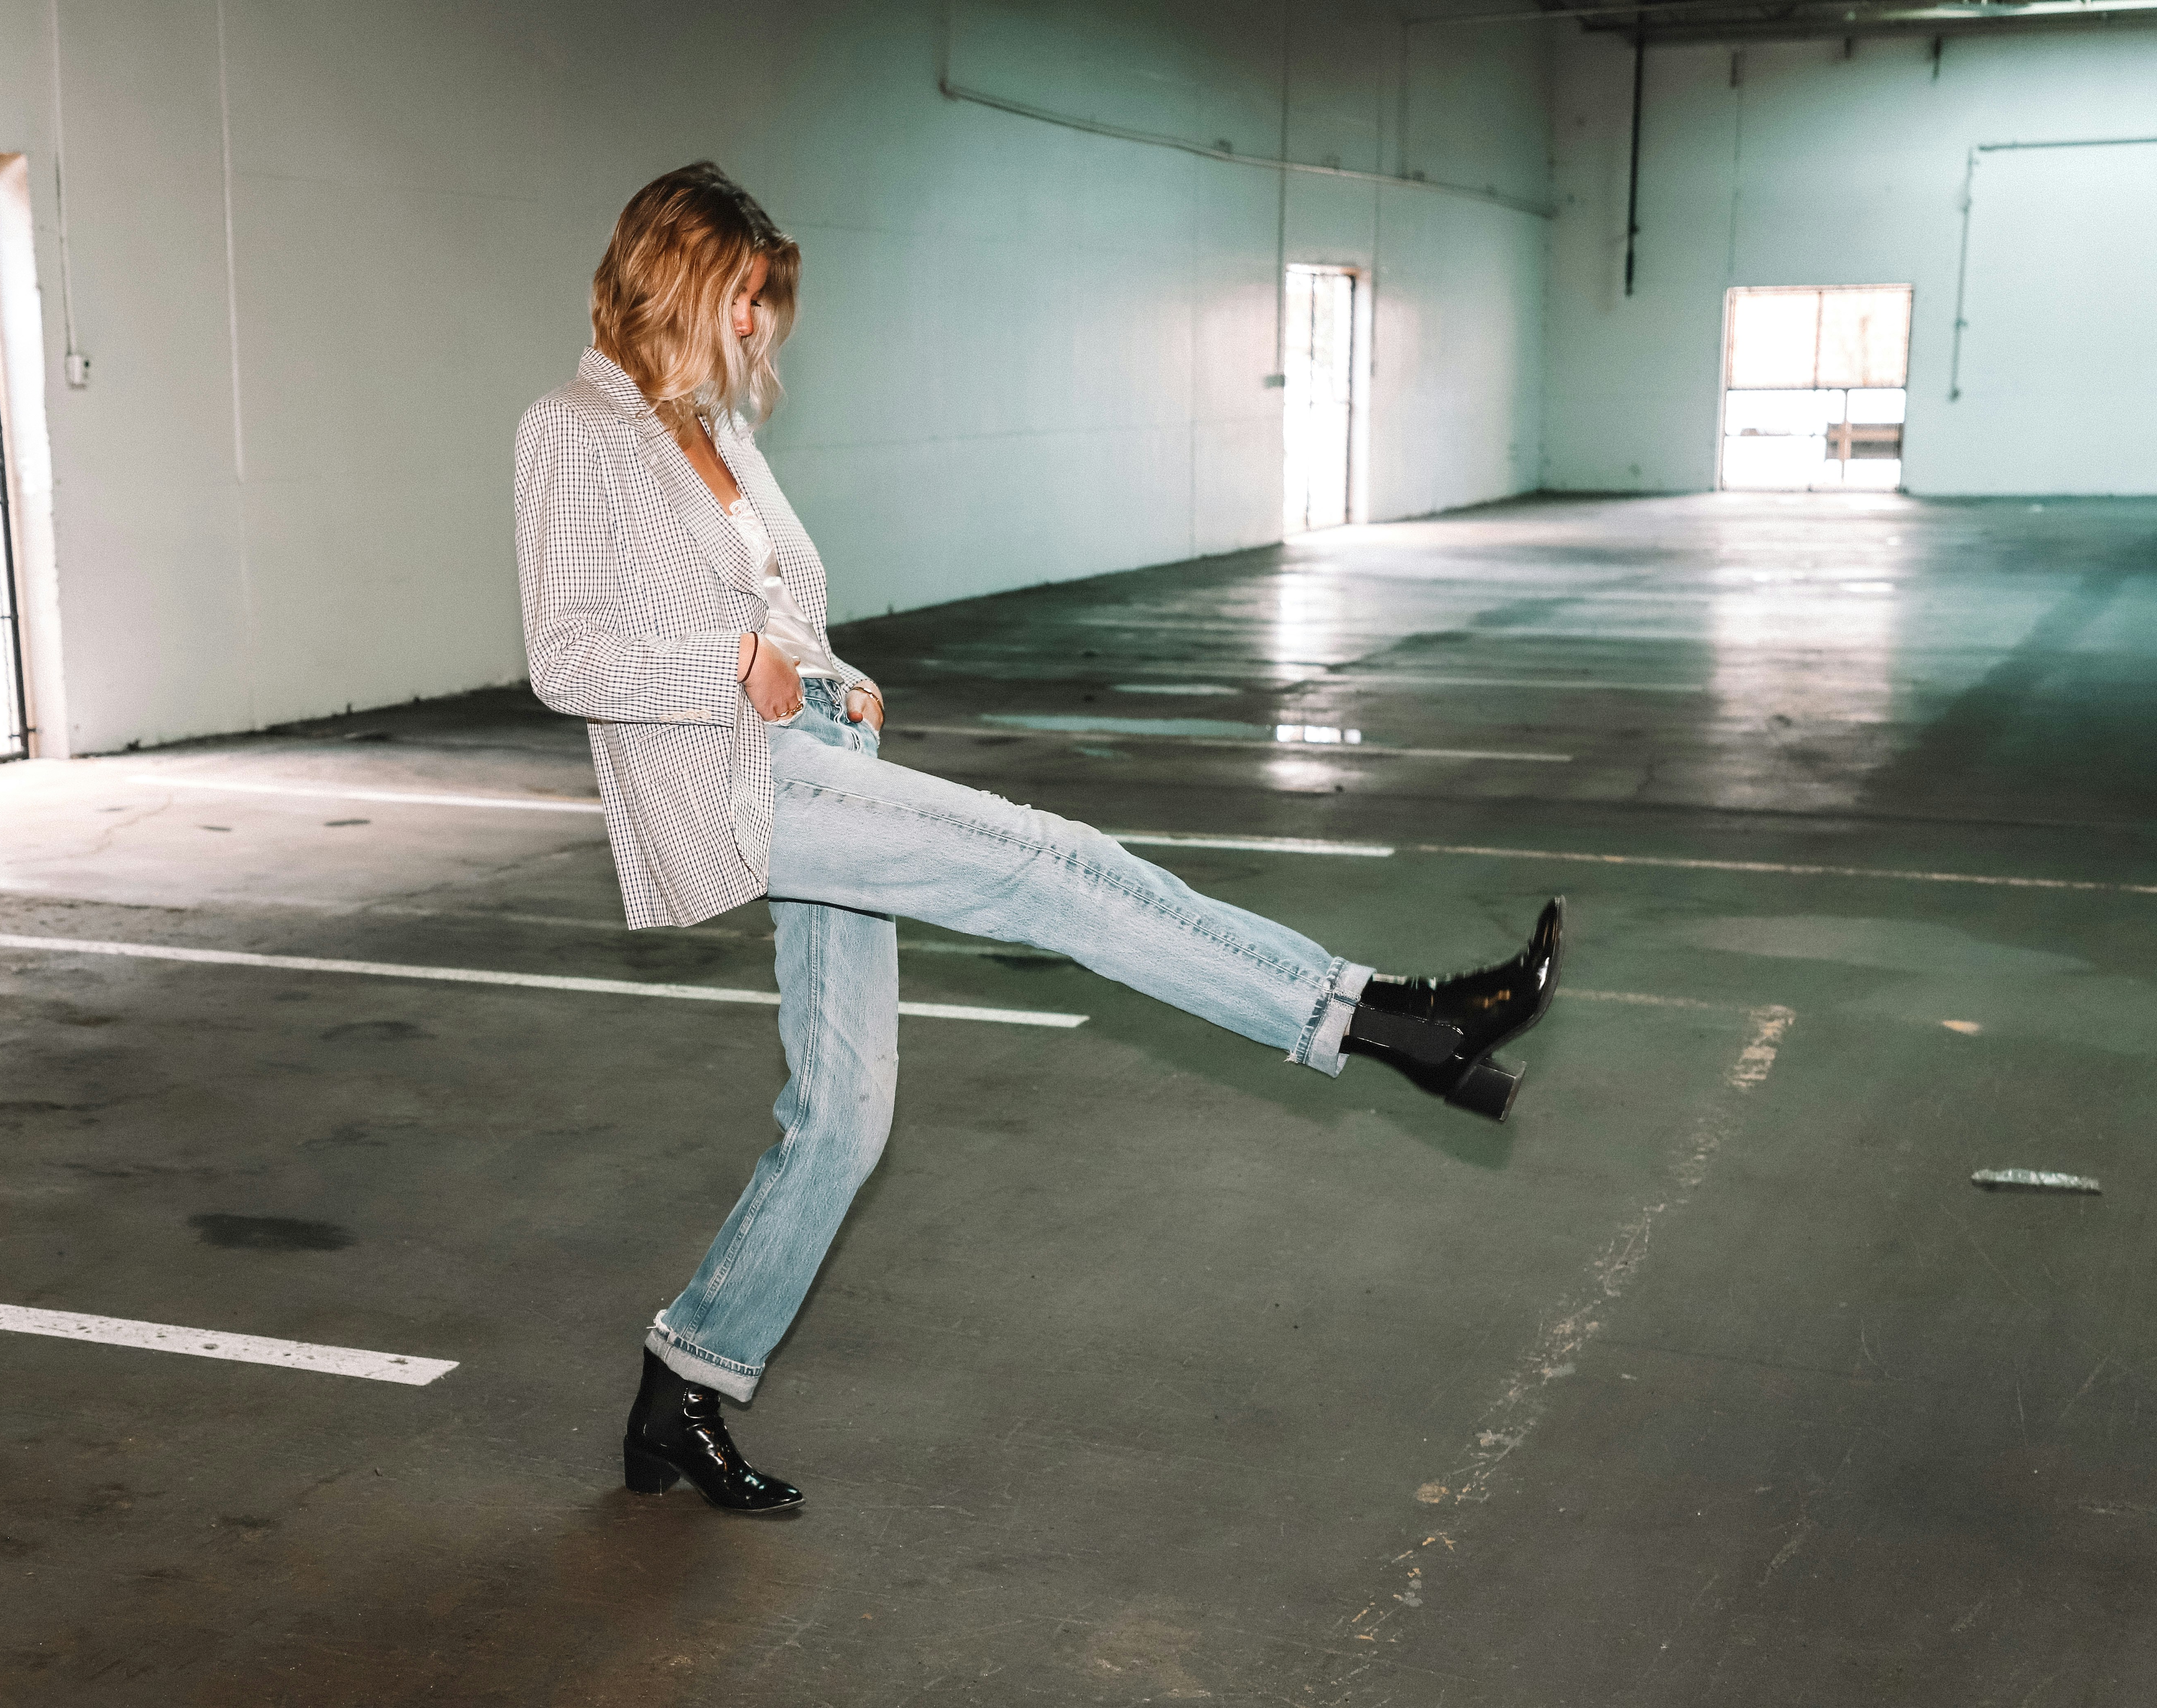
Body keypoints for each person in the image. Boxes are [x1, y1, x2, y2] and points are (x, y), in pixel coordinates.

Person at [514, 163, 1563, 1515]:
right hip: (737, 789)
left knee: (843, 1121)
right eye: (742, 298)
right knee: (1049, 863)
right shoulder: (572, 428)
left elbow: (774, 599)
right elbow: (567, 652)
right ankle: (1392, 1021)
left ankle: (681, 1391)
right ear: (671, 278)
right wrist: (727, 661)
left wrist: (827, 669)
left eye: (769, 302)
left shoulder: (708, 427)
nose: (761, 327)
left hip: (811, 753)